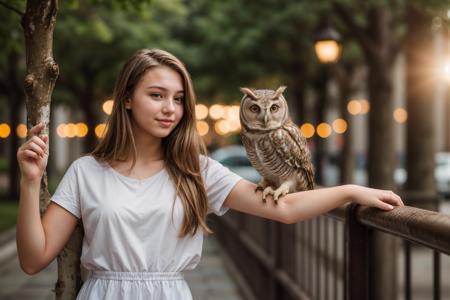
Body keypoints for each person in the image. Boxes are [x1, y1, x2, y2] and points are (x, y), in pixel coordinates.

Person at [16, 48, 403, 299]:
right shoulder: (87, 172)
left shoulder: (196, 171)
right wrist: (31, 181)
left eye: (179, 98)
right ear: (127, 100)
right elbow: (33, 259)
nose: (170, 108)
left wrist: (351, 191)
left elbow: (283, 209)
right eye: (157, 95)